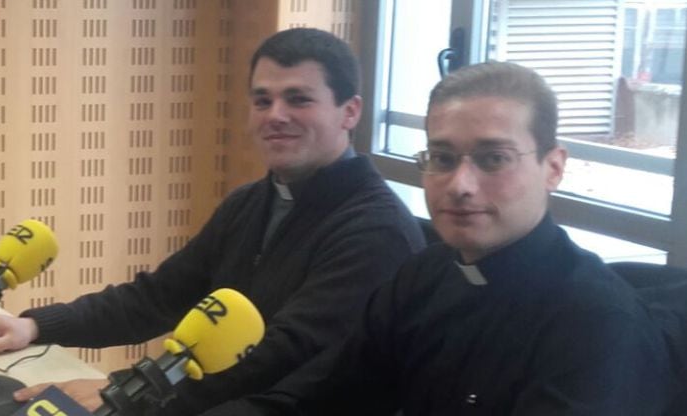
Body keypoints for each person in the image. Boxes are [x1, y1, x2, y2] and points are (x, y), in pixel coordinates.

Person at [0, 28, 426, 414]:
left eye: (299, 99)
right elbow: (158, 297)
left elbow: (279, 357)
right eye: (262, 99)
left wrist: (129, 393)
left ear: (350, 111)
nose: (276, 116)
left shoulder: (375, 231)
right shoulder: (250, 202)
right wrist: (36, 326)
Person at [200, 61, 678, 415]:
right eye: (443, 158)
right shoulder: (423, 278)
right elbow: (324, 395)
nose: (460, 184)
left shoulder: (599, 327)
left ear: (552, 167)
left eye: (492, 159)